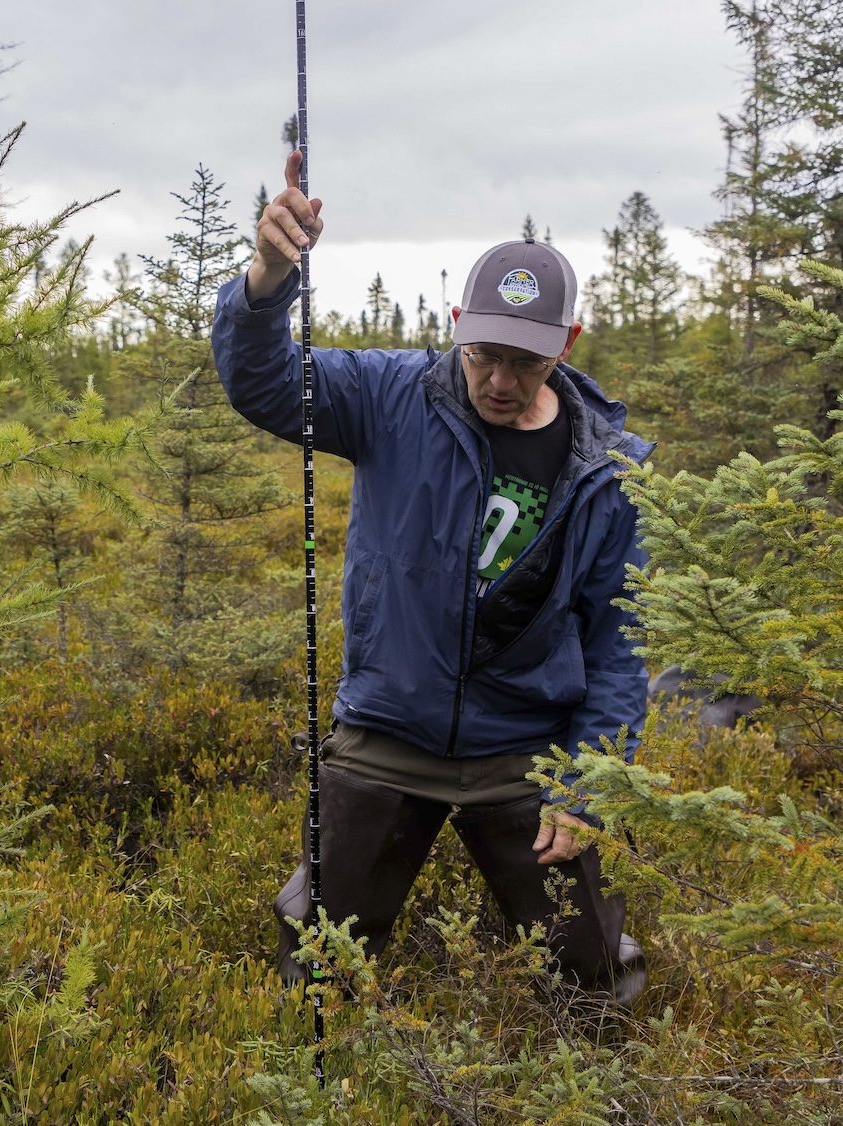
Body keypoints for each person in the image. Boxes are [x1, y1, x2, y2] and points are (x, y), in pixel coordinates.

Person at [213, 152, 650, 1004]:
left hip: (527, 748)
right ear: (457, 322)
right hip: (388, 727)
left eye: (525, 361)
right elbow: (263, 384)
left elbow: (618, 642)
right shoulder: (389, 395)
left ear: (567, 343)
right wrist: (267, 279)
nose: (498, 379)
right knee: (323, 958)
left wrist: (587, 786)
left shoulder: (612, 472)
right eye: (483, 351)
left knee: (589, 964)